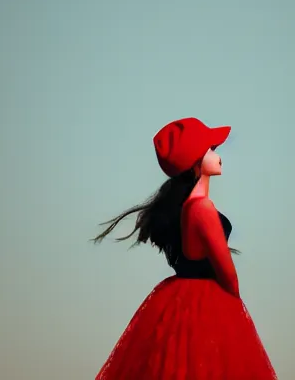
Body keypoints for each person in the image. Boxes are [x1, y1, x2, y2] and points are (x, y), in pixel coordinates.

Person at [93, 117, 277, 379]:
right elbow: (229, 277)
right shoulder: (202, 208)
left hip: (180, 302)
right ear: (195, 160)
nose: (218, 154)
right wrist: (233, 312)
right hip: (209, 304)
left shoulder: (188, 207)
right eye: (211, 149)